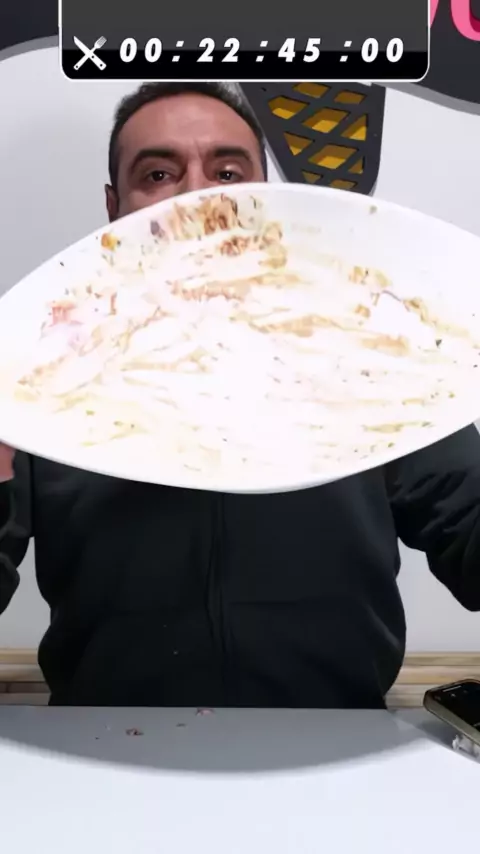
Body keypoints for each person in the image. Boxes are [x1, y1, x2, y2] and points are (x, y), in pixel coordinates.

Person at [0, 81, 479, 709]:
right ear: (114, 208)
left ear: (264, 199)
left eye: (228, 173)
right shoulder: (42, 372)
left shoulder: (368, 351)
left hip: (339, 739)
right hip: (102, 743)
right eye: (159, 174)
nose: (198, 197)